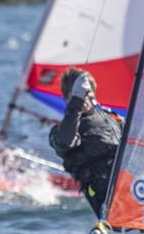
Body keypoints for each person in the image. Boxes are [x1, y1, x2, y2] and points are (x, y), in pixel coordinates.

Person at [49, 67, 123, 217]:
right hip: (102, 194)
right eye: (76, 96)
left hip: (130, 186)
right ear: (67, 99)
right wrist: (75, 103)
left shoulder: (113, 119)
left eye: (86, 95)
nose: (83, 100)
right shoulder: (60, 132)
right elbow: (65, 141)